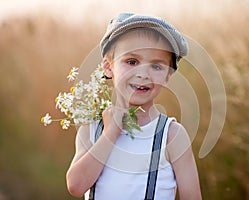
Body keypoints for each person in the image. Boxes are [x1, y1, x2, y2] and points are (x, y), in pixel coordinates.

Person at [66, 13, 202, 200]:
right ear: (108, 67)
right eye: (132, 62)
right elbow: (76, 186)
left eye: (156, 66)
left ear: (168, 76)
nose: (143, 74)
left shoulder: (171, 135)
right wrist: (110, 132)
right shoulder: (92, 129)